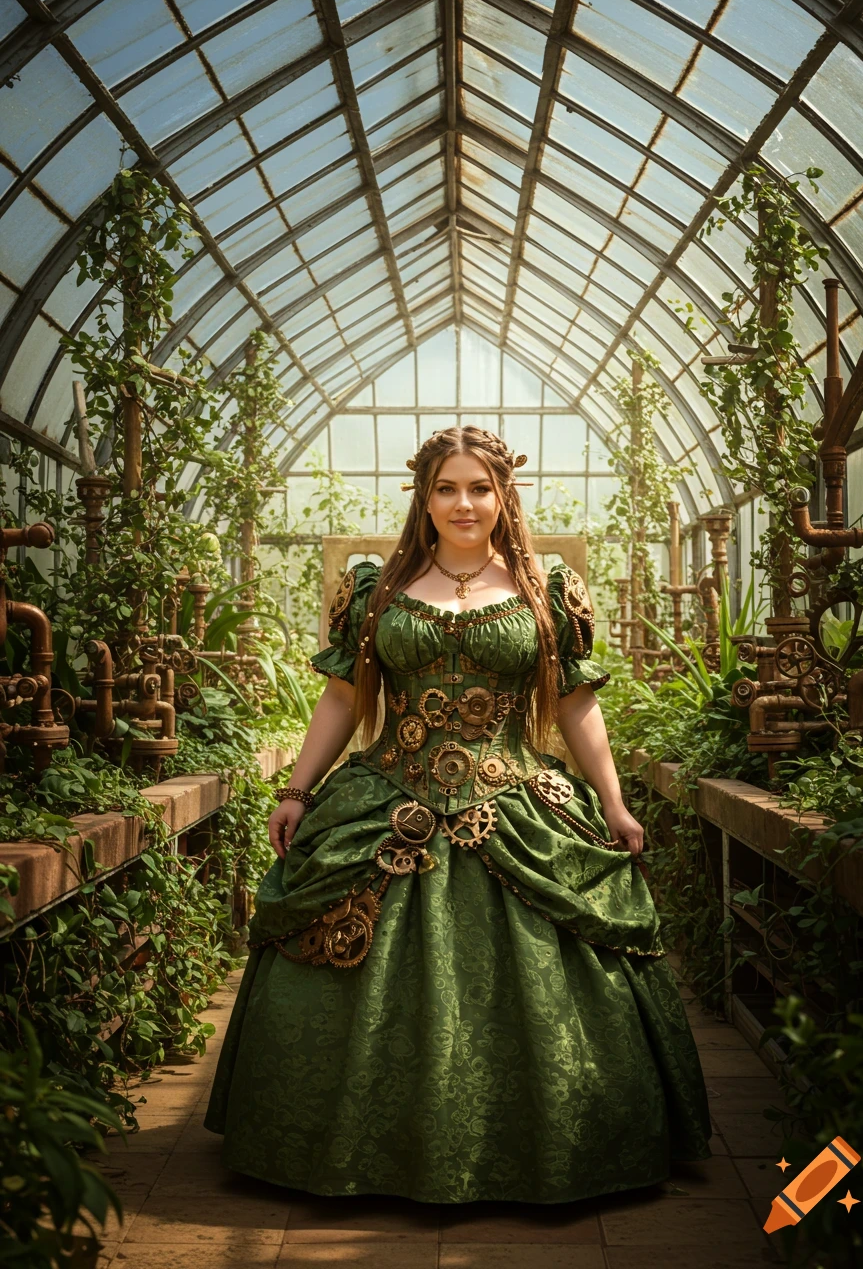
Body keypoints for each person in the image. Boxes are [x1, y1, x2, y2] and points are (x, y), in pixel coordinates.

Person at [205, 425, 712, 1203]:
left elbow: (576, 704)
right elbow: (344, 696)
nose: (464, 503)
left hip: (511, 799)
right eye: (447, 487)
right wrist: (298, 789)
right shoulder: (378, 589)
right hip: (388, 796)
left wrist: (613, 801)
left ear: (504, 494)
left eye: (480, 487)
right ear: (425, 495)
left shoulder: (545, 591)